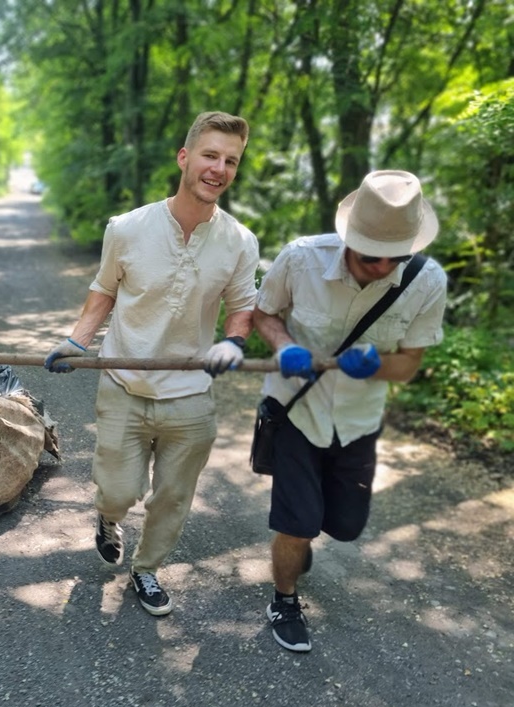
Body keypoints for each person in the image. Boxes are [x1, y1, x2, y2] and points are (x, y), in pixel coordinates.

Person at [44, 111, 259, 616]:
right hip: (125, 383)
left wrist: (235, 342)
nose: (219, 169)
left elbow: (242, 305)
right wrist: (78, 341)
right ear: (184, 158)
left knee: (173, 497)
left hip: (191, 394)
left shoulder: (240, 241)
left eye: (230, 161)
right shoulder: (127, 228)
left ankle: (146, 568)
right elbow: (104, 290)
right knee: (117, 490)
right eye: (210, 155)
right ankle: (108, 517)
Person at [253, 170, 447, 652]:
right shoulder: (302, 259)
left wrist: (378, 364)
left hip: (359, 422)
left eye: (393, 258)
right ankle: (284, 599)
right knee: (296, 522)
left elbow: (409, 364)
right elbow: (264, 312)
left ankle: (302, 541)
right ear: (348, 240)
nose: (382, 268)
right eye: (369, 257)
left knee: (344, 526)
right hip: (296, 411)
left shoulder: (427, 281)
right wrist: (284, 345)